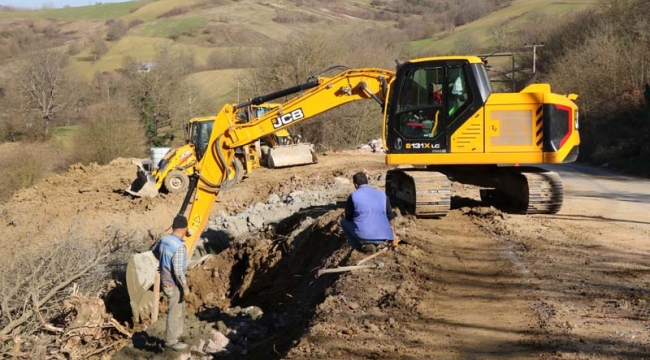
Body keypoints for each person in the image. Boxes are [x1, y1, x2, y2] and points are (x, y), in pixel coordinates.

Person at [153, 215, 190, 351]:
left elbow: (154, 251)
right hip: (174, 283)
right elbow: (179, 271)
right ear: (185, 228)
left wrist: (163, 263)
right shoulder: (179, 247)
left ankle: (177, 334)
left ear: (174, 227)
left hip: (166, 281)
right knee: (174, 312)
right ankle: (171, 342)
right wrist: (185, 287)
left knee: (179, 308)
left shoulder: (164, 240)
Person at [341, 172, 397, 254]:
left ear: (356, 185)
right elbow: (390, 216)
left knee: (343, 221)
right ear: (367, 182)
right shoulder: (382, 194)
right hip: (385, 236)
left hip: (364, 236)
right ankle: (377, 244)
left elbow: (348, 217)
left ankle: (360, 248)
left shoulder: (353, 196)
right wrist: (393, 235)